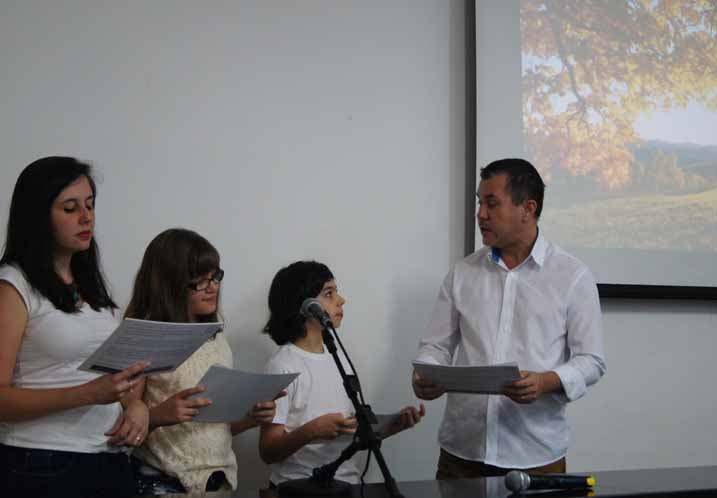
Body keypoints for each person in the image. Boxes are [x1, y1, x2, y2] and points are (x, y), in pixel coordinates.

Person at [413, 158, 606, 479]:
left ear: (528, 209)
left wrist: (545, 381)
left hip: (536, 455)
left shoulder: (572, 276)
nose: (481, 214)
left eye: (491, 204)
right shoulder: (462, 273)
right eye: (479, 203)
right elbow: (435, 346)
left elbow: (592, 360)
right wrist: (425, 373)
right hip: (461, 453)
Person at [0, 156, 150, 496]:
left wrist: (136, 407)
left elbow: (114, 380)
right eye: (70, 208)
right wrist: (85, 394)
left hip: (108, 457)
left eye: (90, 205)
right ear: (38, 216)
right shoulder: (13, 285)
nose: (86, 217)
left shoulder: (91, 285)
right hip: (42, 460)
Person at [125, 228, 280, 494]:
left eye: (215, 276)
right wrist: (158, 416)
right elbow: (121, 429)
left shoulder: (217, 339)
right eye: (199, 280)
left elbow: (215, 427)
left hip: (219, 482)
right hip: (164, 484)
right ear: (169, 282)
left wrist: (251, 418)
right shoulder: (147, 338)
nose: (212, 287)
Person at [260, 260, 425, 486]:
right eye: (329, 294)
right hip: (298, 486)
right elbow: (268, 451)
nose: (341, 300)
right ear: (304, 305)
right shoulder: (283, 365)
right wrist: (312, 431)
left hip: (346, 484)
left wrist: (389, 427)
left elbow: (347, 434)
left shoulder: (339, 360)